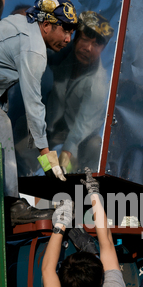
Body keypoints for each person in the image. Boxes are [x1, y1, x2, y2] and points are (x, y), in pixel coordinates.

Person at [0, 0, 78, 225]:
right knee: (0, 123)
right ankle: (11, 205)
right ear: (46, 25)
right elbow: (34, 104)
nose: (68, 39)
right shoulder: (34, 51)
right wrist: (47, 159)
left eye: (71, 32)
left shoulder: (20, 21)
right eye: (65, 30)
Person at [45, 10, 114, 172]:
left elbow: (79, 129)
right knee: (24, 139)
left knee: (95, 146)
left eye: (96, 44)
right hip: (52, 124)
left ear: (103, 49)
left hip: (81, 137)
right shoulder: (64, 52)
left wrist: (63, 161)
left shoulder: (98, 84)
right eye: (85, 39)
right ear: (76, 38)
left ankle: (83, 190)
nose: (88, 48)